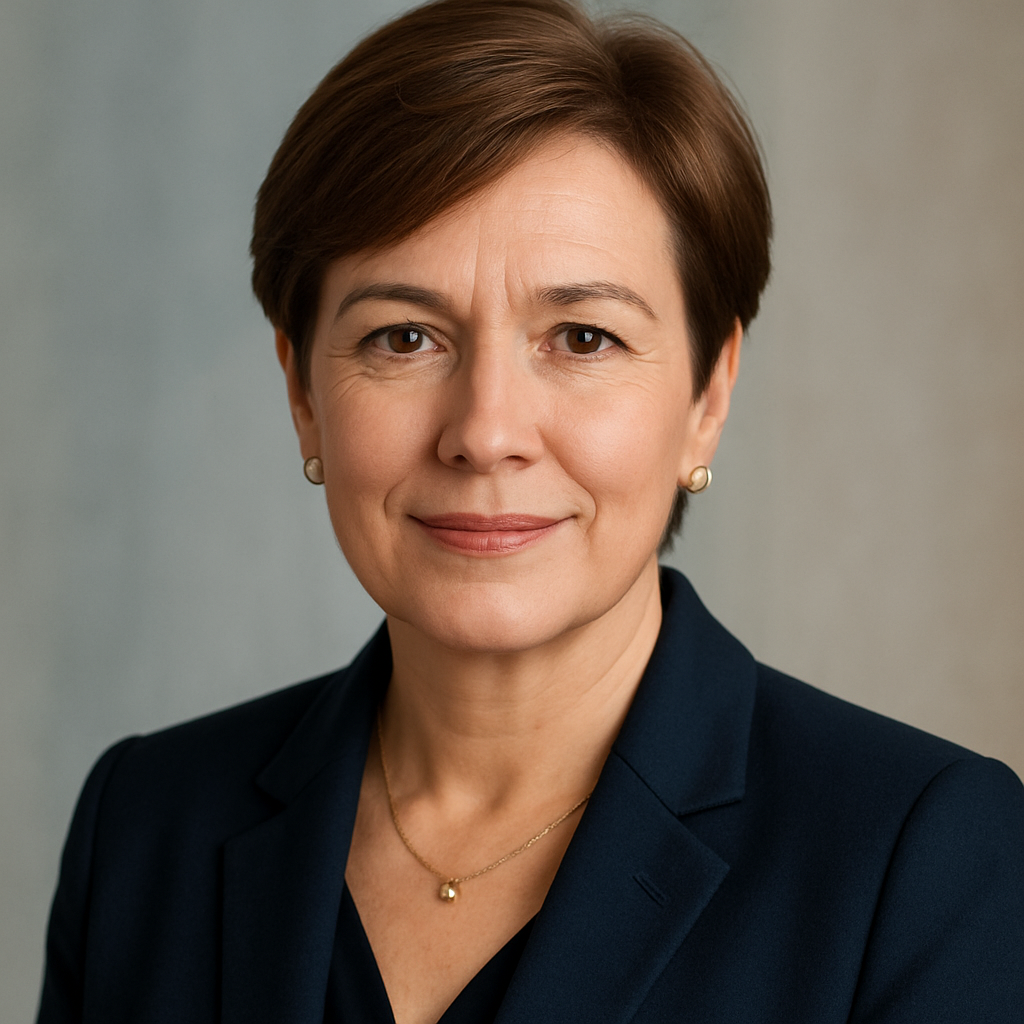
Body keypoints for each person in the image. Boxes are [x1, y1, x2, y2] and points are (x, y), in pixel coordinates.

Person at [37, 0, 1024, 1021]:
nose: (486, 430)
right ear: (302, 394)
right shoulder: (146, 825)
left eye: (583, 338)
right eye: (404, 338)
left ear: (706, 398)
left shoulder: (918, 859)